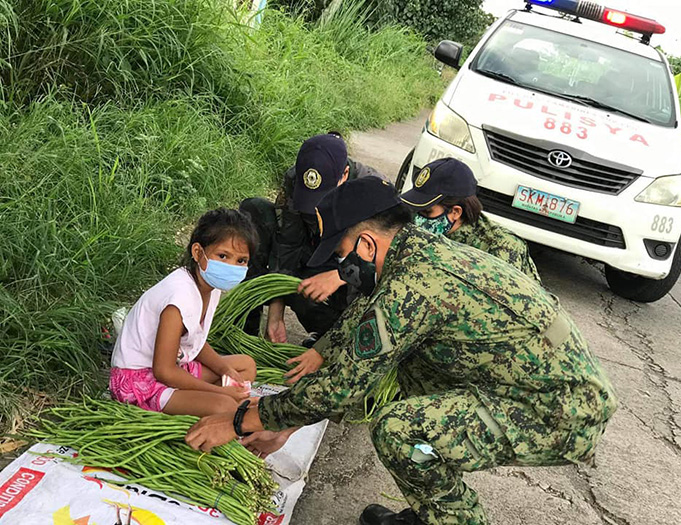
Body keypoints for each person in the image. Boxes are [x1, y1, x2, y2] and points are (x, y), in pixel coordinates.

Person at [185, 178, 618, 525]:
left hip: (556, 409)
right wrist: (290, 424)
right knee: (413, 379)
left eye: (341, 255)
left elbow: (342, 387)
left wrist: (241, 421)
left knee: (399, 431)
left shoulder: (414, 286)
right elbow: (360, 354)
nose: (341, 268)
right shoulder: (419, 254)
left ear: (368, 245)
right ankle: (433, 506)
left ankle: (452, 516)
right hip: (538, 384)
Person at [240, 132, 386, 349]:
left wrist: (342, 274)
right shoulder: (295, 178)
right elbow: (287, 242)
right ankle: (245, 333)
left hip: (348, 274)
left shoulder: (374, 192)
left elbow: (384, 264)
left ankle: (335, 340)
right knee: (254, 210)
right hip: (312, 254)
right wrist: (276, 310)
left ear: (344, 174)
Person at [110, 208, 258, 416]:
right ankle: (191, 403)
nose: (231, 266)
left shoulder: (209, 286)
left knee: (245, 367)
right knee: (224, 406)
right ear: (198, 253)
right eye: (223, 256)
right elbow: (164, 371)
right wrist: (220, 392)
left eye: (241, 260)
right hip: (140, 380)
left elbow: (194, 339)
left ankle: (193, 400)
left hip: (175, 367)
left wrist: (225, 370)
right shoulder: (178, 299)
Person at [402, 157, 541, 282]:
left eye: (426, 212)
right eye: (416, 210)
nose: (418, 219)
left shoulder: (501, 247)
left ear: (456, 212)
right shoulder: (422, 228)